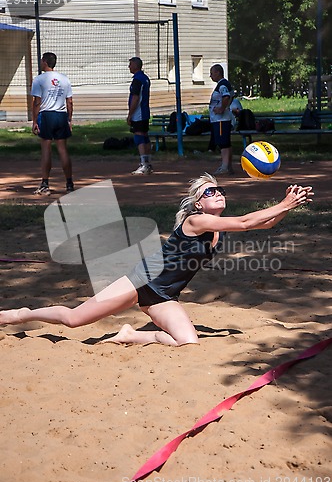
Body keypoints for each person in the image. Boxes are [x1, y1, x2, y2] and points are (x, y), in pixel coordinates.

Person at [0, 173, 313, 346]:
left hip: (164, 295)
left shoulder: (216, 226)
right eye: (208, 192)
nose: (216, 193)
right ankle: (20, 314)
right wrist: (283, 201)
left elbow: (265, 223)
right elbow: (246, 222)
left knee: (188, 343)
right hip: (141, 281)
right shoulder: (195, 221)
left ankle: (131, 334)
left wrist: (290, 205)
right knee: (74, 319)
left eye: (218, 189)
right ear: (199, 205)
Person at [31, 52, 74, 196]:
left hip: (47, 115)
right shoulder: (64, 79)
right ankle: (69, 183)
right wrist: (69, 119)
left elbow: (37, 102)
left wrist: (35, 121)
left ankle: (45, 184)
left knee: (46, 149)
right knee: (63, 150)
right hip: (61, 116)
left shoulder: (39, 79)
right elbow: (70, 102)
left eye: (41, 61)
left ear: (44, 62)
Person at [127, 57, 153, 175]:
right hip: (145, 111)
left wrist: (130, 114)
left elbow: (136, 98)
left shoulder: (137, 79)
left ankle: (143, 165)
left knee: (139, 136)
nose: (129, 67)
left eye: (130, 64)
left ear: (136, 65)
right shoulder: (145, 78)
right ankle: (147, 163)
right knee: (145, 136)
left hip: (139, 113)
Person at [209, 64, 234, 175]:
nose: (210, 76)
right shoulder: (222, 84)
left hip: (221, 120)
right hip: (220, 119)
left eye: (212, 73)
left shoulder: (223, 85)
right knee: (226, 143)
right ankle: (228, 166)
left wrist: (222, 108)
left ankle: (224, 167)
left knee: (223, 144)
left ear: (218, 72)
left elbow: (226, 96)